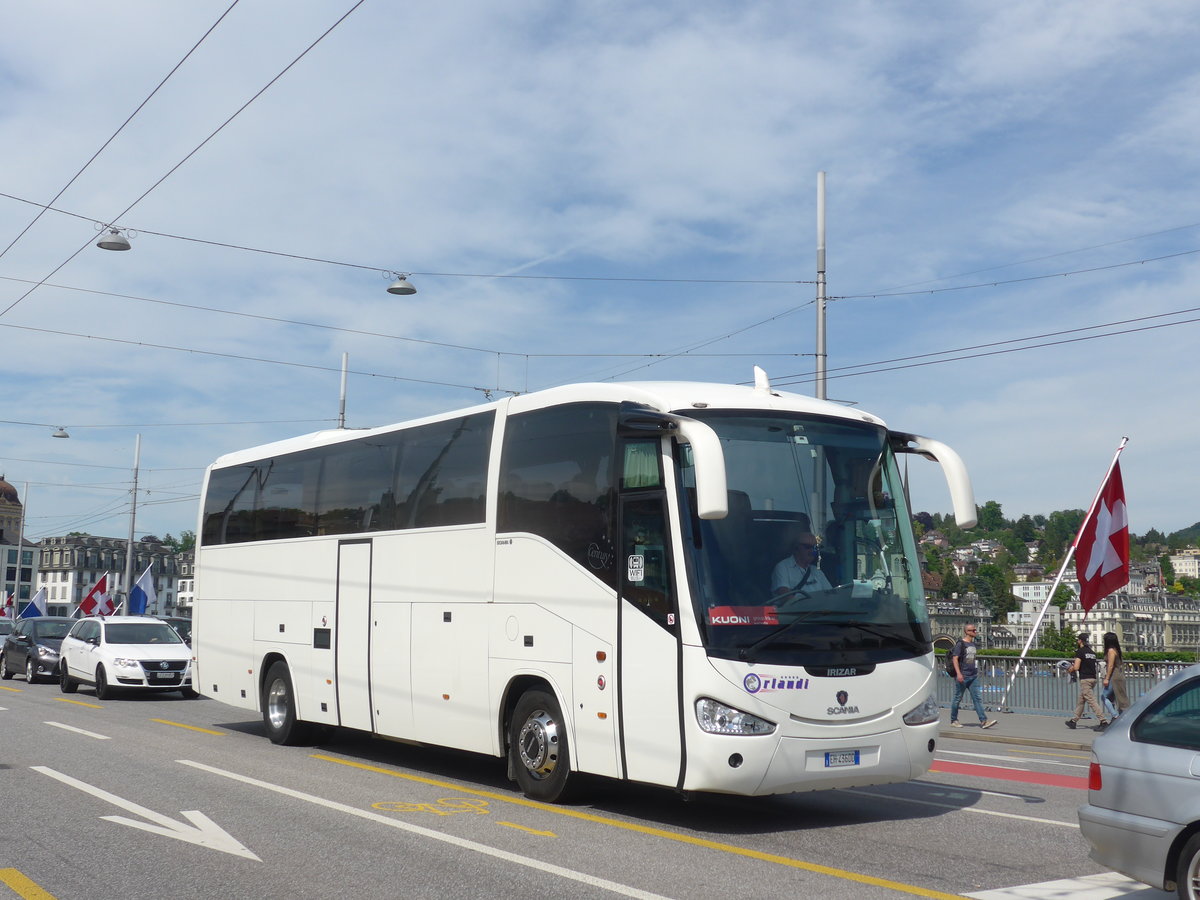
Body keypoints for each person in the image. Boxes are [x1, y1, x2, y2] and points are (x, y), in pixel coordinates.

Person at [949, 624, 998, 729]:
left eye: (975, 630)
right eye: (973, 630)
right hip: (963, 675)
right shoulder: (960, 644)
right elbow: (955, 659)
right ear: (967, 632)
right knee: (958, 698)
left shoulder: (973, 644)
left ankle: (984, 721)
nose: (975, 632)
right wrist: (958, 674)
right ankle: (954, 720)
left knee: (977, 698)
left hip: (973, 676)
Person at [771, 528, 833, 605]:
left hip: (819, 614)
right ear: (796, 548)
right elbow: (785, 598)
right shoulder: (782, 567)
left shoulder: (816, 571)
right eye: (807, 547)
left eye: (815, 548)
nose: (812, 551)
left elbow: (831, 595)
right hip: (795, 615)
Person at [1065, 634, 1110, 730]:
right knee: (1081, 700)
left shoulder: (1080, 652)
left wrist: (1070, 669)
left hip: (1085, 679)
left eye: (1078, 640)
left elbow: (1076, 667)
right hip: (1093, 678)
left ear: (1080, 641)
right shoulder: (1092, 652)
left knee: (1091, 701)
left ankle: (1103, 721)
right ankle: (1073, 721)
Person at [1100, 631, 1131, 718]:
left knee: (1104, 696)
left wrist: (1106, 678)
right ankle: (1120, 716)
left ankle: (1115, 716)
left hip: (1114, 677)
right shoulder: (1116, 650)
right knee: (1119, 697)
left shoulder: (1111, 651)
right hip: (1119, 675)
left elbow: (1110, 665)